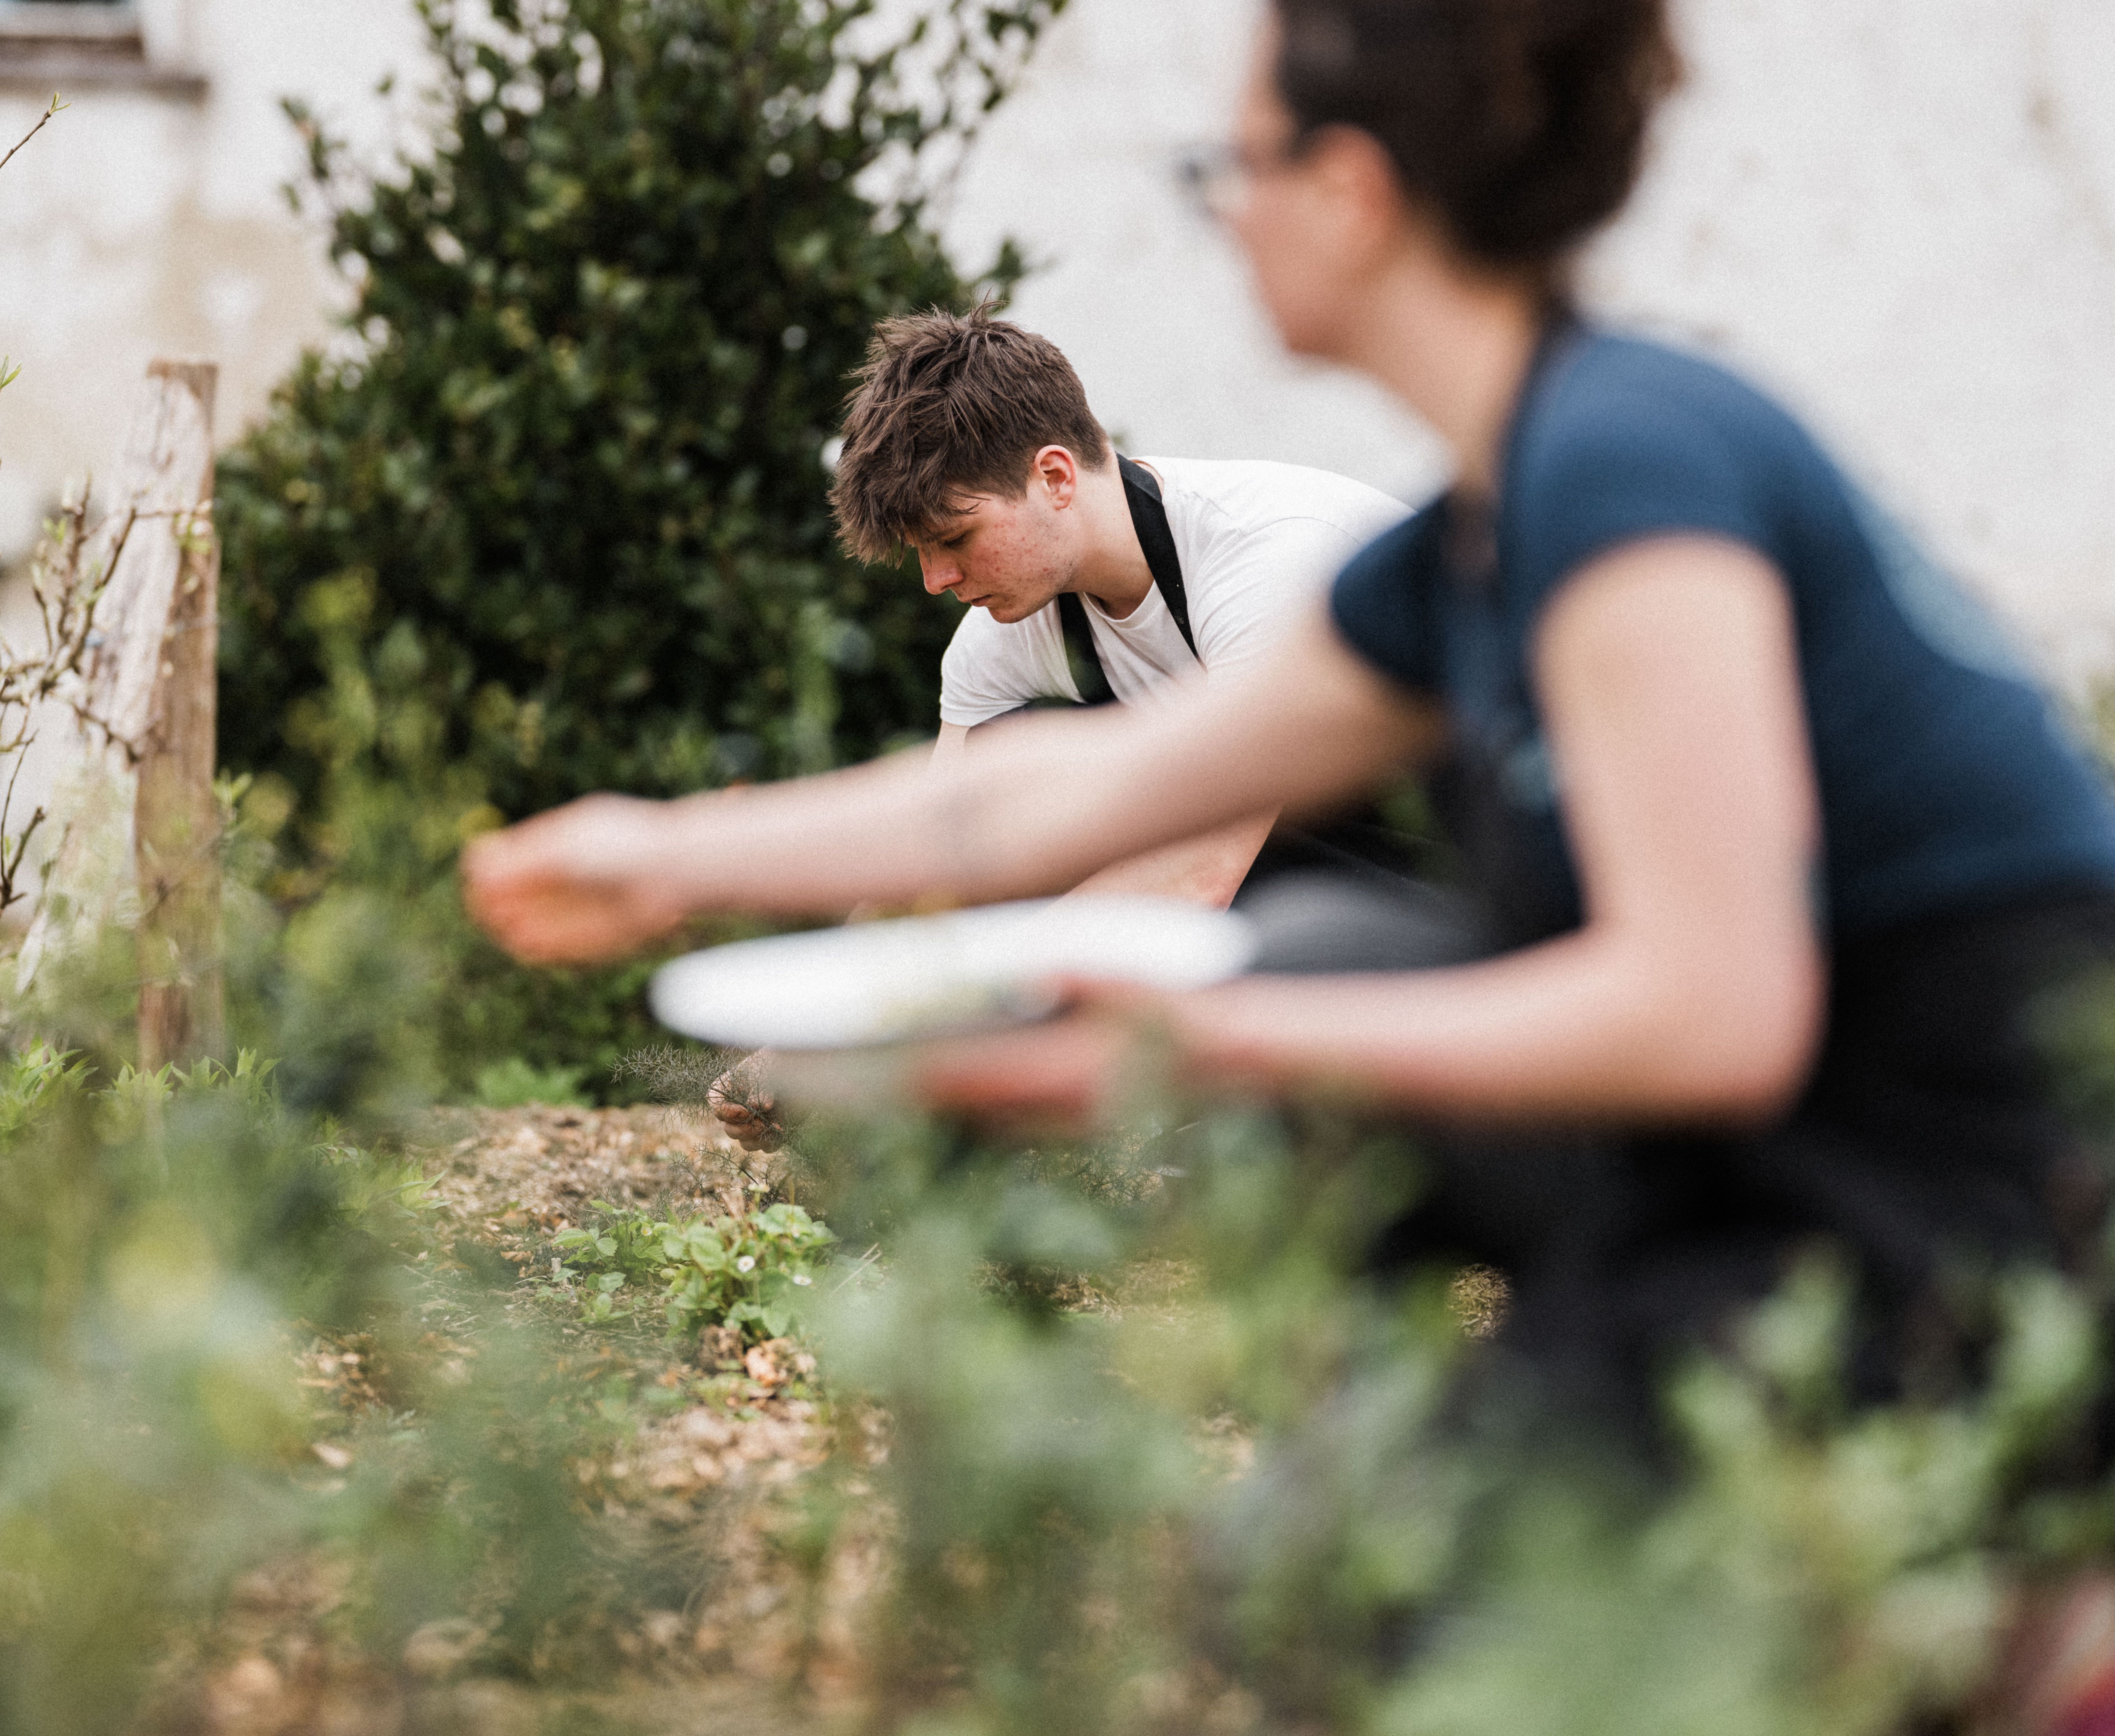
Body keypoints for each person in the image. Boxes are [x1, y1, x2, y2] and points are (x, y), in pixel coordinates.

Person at [467, 0, 2115, 1433]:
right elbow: (1035, 809)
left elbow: (1711, 1011)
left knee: (1323, 987)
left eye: (1231, 167)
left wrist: (1179, 1045)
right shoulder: (1467, 533)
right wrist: (671, 853)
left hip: (1966, 1170)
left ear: (1355, 190)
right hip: (1770, 1138)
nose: (1221, 213)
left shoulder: (1628, 461)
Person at [708, 307, 1409, 1148]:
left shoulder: (1276, 560)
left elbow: (1200, 876)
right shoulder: (1001, 635)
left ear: (1055, 477)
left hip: (1471, 874)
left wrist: (940, 1023)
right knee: (1009, 778)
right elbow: (936, 855)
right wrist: (815, 1036)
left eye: (955, 537)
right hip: (1290, 879)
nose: (935, 580)